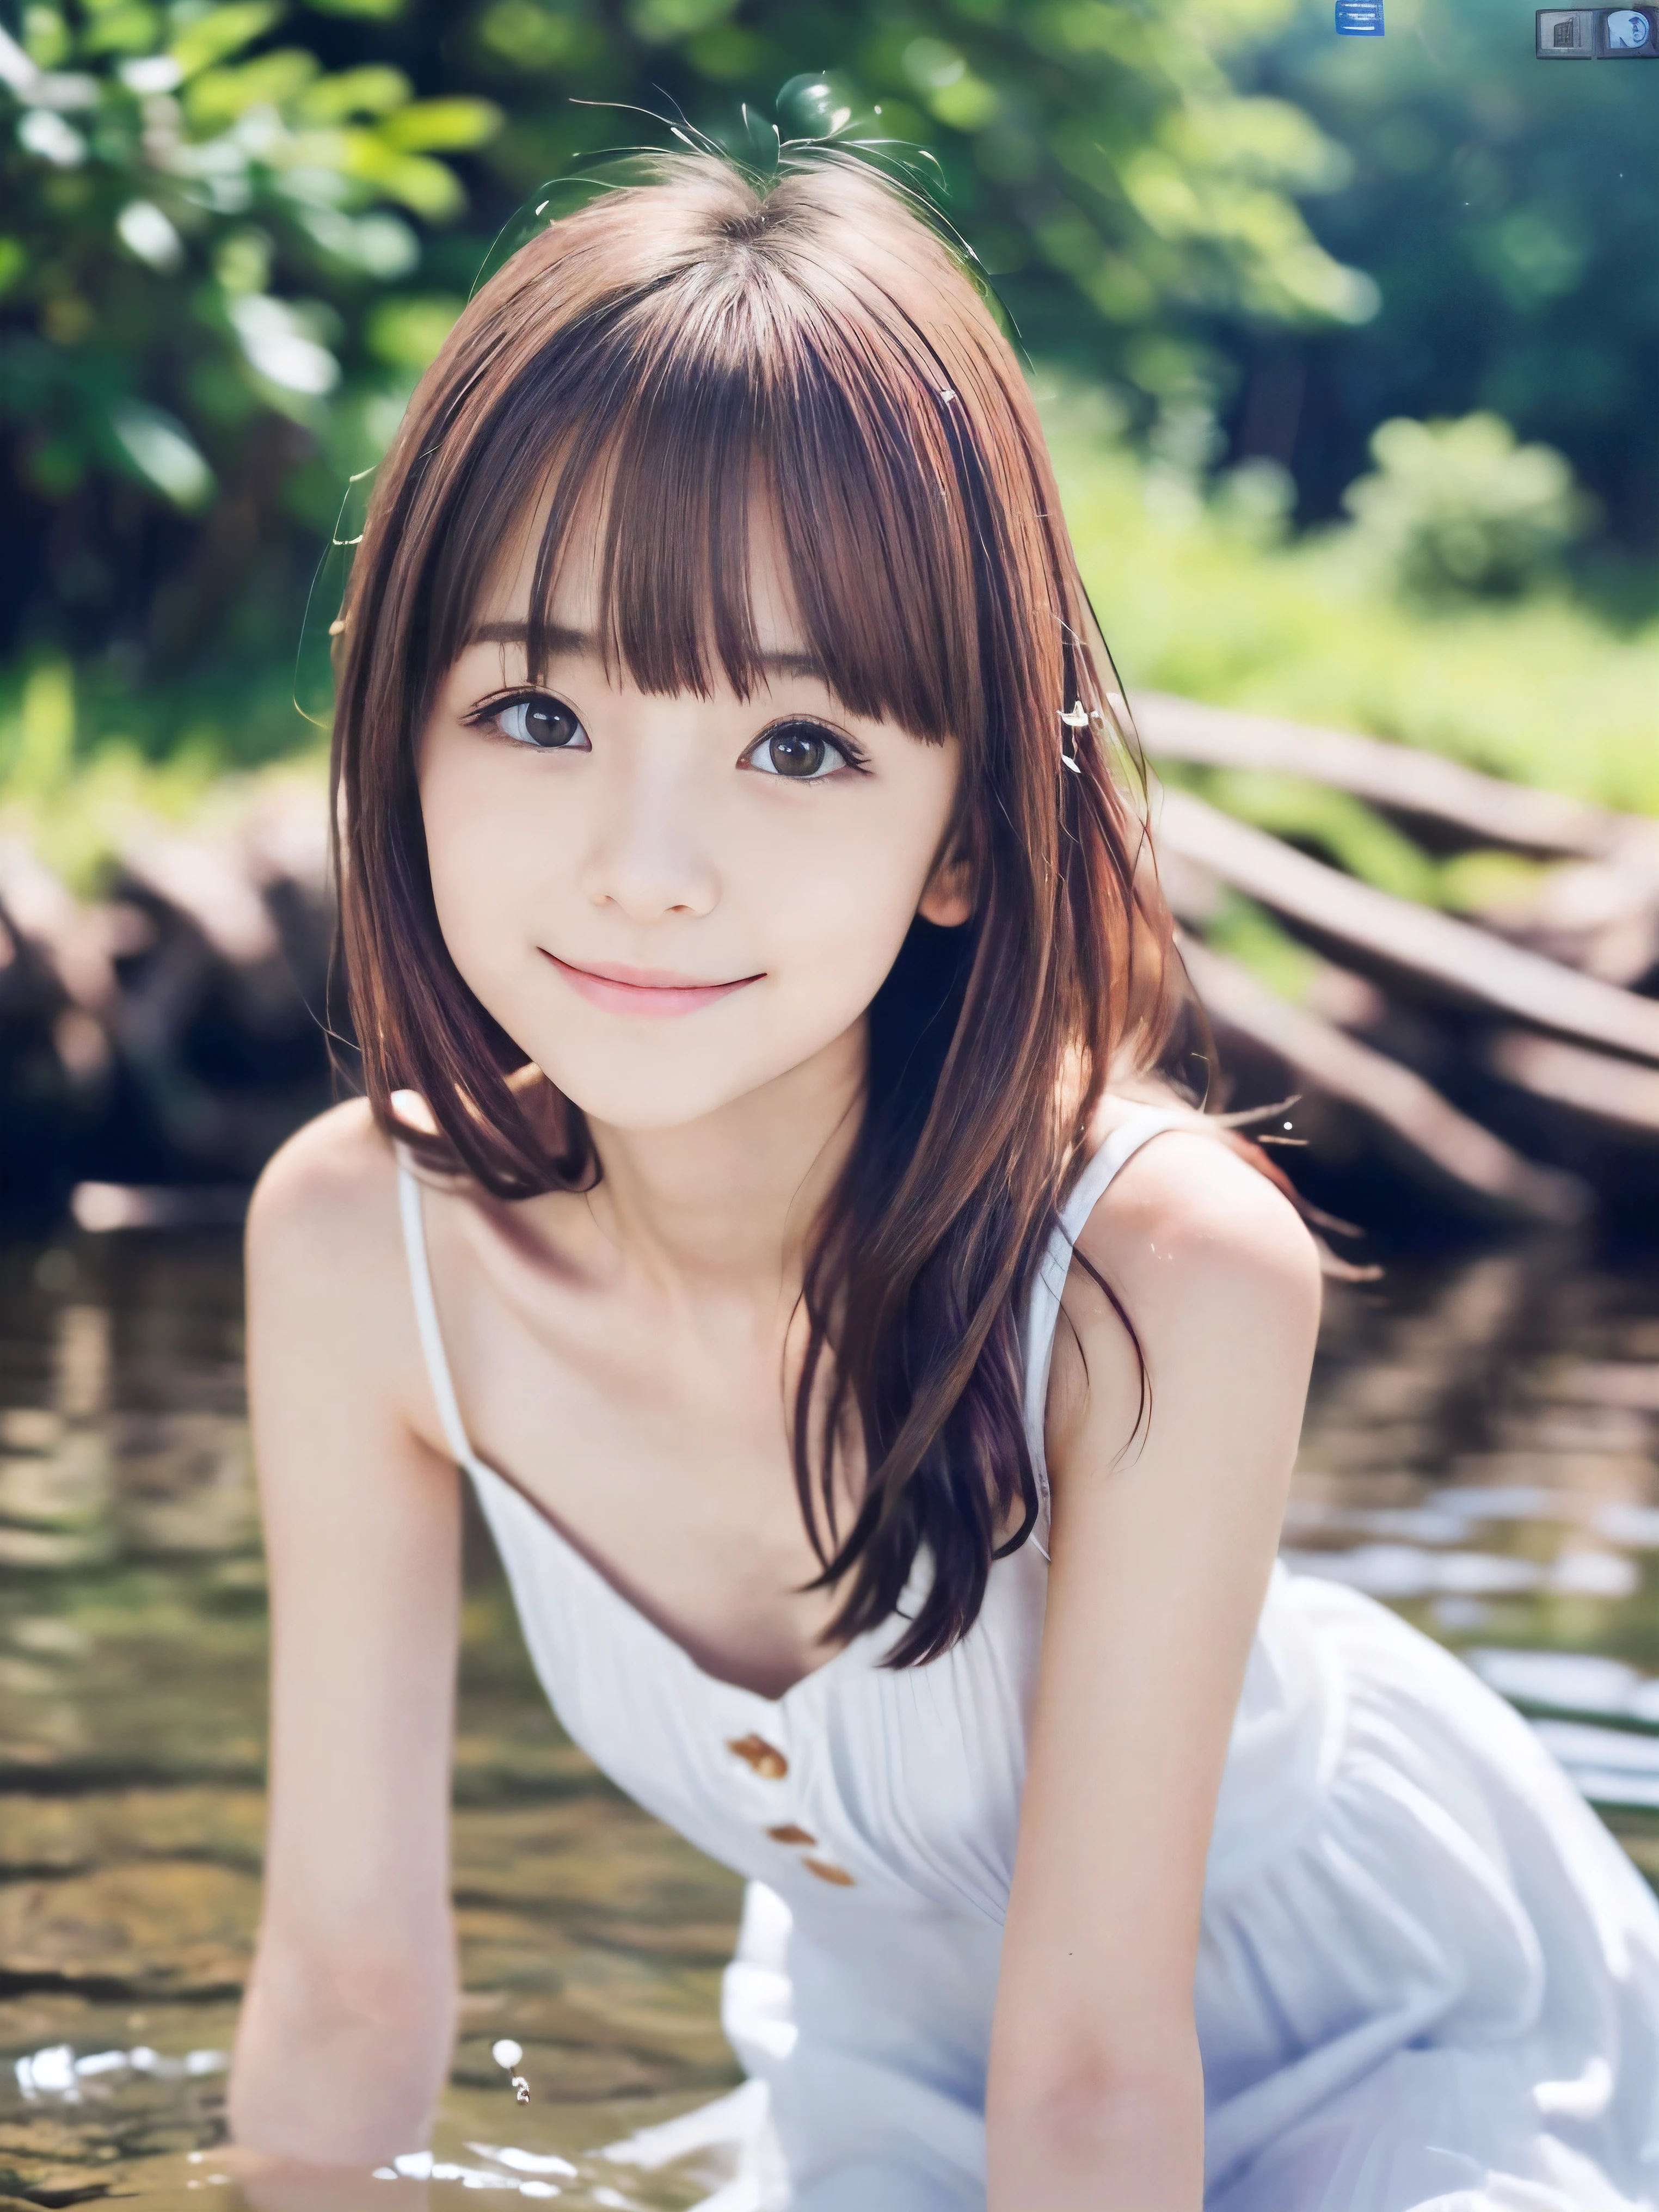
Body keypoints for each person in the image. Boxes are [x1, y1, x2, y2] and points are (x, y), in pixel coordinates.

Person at [225, 151, 1659, 2212]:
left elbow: (1090, 2071)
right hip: (885, 2077)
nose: (645, 862)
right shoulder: (363, 1246)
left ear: (968, 836)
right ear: (401, 739)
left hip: (1386, 2041)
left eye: (797, 746)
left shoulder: (1158, 1272)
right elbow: (346, 1985)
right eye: (536, 708)